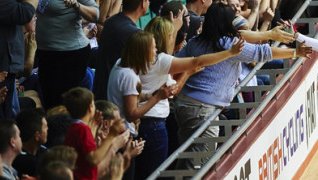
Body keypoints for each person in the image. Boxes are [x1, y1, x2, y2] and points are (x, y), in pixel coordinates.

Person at [173, 3, 312, 170]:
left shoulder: (195, 41)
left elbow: (176, 63)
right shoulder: (229, 45)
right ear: (227, 23)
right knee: (198, 164)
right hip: (203, 111)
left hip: (183, 105)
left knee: (188, 156)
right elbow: (265, 52)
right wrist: (295, 53)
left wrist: (269, 34)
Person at [131, 16, 243, 179]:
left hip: (144, 121)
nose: (174, 38)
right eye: (172, 35)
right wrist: (228, 53)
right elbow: (187, 73)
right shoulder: (160, 60)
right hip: (154, 122)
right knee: (159, 172)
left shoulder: (138, 58)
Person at [36, 0, 99, 110]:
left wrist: (77, 5)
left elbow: (95, 14)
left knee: (64, 104)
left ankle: (68, 126)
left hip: (70, 54)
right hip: (46, 53)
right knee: (49, 102)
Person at [63, 87, 125, 180]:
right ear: (90, 108)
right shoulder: (82, 129)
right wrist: (111, 136)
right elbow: (94, 159)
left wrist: (92, 131)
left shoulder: (73, 128)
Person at [94, 0, 149, 100]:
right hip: (115, 100)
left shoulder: (112, 21)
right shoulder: (132, 34)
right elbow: (152, 68)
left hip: (103, 92)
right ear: (143, 3)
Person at [0, 0, 38, 118]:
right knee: (6, 123)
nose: (34, 19)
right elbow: (24, 13)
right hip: (3, 72)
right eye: (34, 17)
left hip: (8, 72)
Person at [12, 108, 48, 178]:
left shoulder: (43, 152)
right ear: (37, 136)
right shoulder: (28, 163)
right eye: (45, 127)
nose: (47, 129)